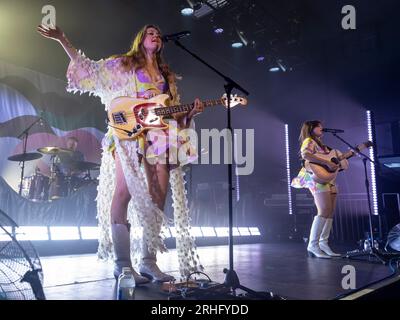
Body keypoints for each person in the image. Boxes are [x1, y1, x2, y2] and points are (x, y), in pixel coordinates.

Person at [37, 24, 204, 283]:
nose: (156, 35)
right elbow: (88, 69)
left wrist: (189, 113)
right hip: (128, 135)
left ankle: (149, 262)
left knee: (158, 197)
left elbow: (169, 112)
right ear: (140, 39)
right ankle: (123, 265)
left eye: (158, 33)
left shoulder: (165, 76)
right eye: (151, 32)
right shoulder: (123, 64)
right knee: (123, 192)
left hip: (158, 138)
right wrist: (62, 39)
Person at [291, 120, 342, 258]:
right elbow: (305, 155)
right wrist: (325, 162)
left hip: (327, 178)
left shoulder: (321, 144)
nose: (322, 128)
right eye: (319, 126)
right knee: (324, 210)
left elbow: (329, 160)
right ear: (312, 128)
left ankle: (323, 242)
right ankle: (313, 244)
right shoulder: (309, 140)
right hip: (315, 178)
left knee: (330, 211)